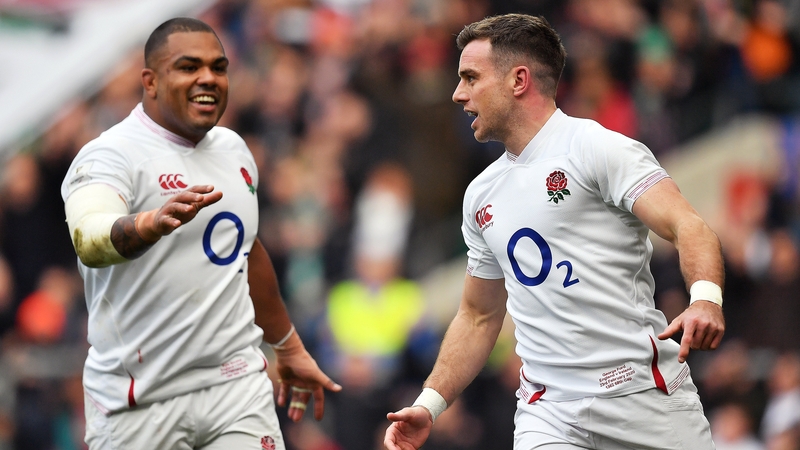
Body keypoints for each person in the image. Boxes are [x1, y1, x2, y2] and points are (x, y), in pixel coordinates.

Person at [384, 13, 725, 450]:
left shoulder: (598, 148)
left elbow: (686, 224)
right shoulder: (480, 196)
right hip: (549, 412)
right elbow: (479, 315)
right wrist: (430, 403)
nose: (458, 93)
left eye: (470, 77)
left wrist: (705, 299)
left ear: (518, 80)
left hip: (643, 395)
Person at [60, 17, 341, 450]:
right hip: (139, 401)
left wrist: (287, 345)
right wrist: (148, 224)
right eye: (189, 67)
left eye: (219, 67)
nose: (207, 78)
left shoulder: (234, 150)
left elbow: (243, 250)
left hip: (237, 388)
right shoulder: (109, 155)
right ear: (150, 81)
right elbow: (89, 238)